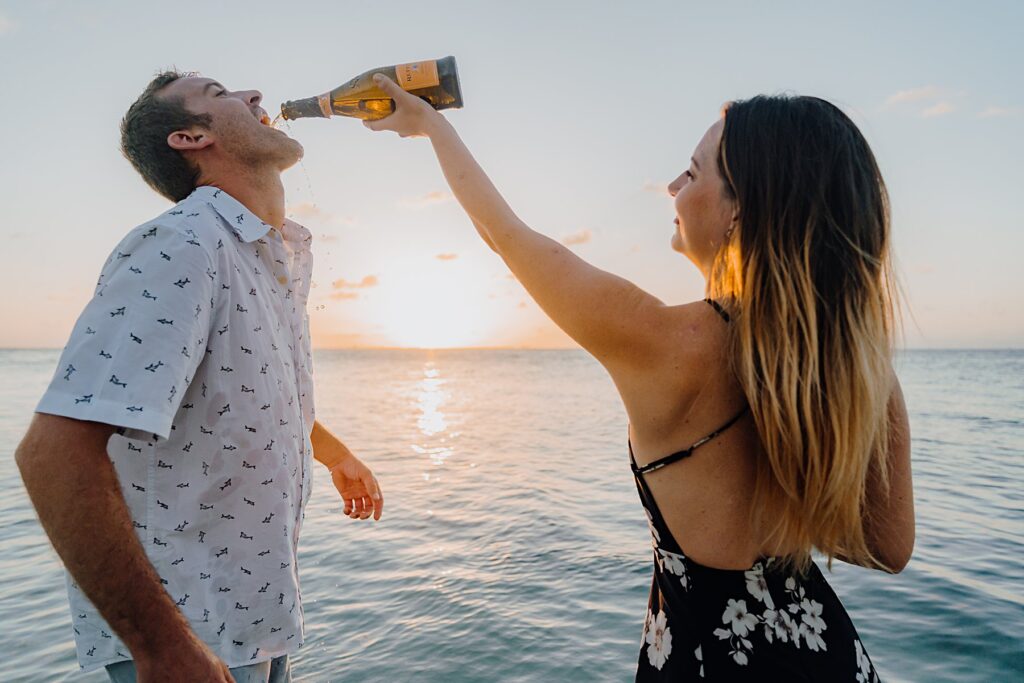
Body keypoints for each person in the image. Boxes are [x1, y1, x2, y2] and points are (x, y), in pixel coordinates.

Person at [364, 74, 914, 680]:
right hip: (829, 660)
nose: (674, 188)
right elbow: (889, 549)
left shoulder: (661, 341)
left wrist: (431, 126)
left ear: (741, 210)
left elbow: (506, 236)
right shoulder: (858, 367)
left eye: (693, 172)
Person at [14, 71, 384, 683]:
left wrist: (335, 453)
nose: (256, 96)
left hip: (258, 618)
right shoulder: (180, 246)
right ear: (189, 137)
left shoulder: (269, 253)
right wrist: (163, 650)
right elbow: (51, 454)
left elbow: (243, 389)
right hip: (189, 633)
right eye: (222, 93)